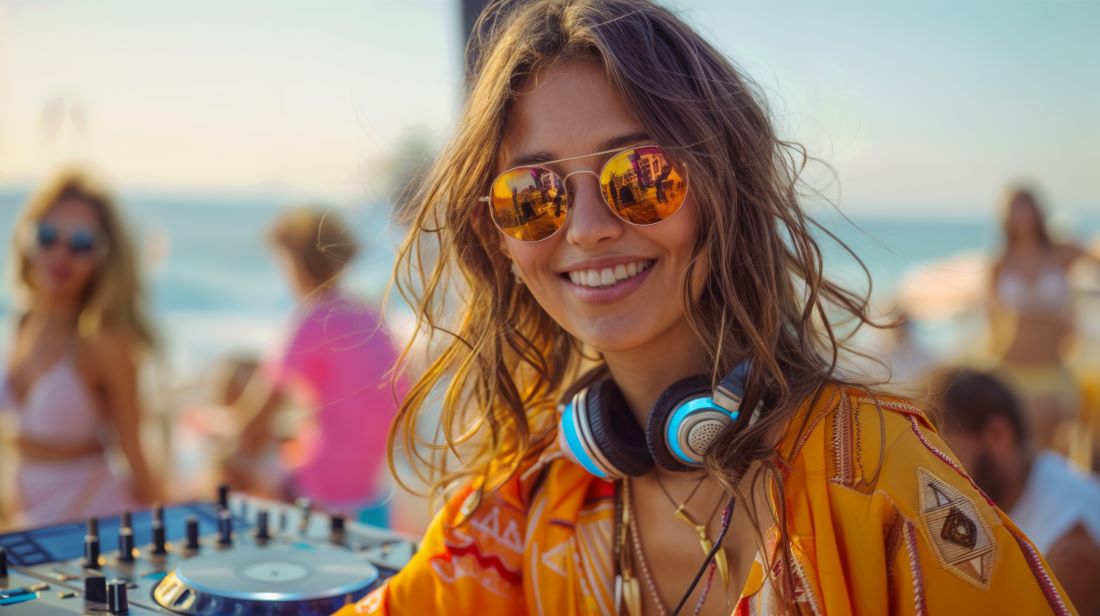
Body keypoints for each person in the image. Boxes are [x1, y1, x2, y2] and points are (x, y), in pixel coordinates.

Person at [338, 1, 1074, 614]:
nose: (587, 227)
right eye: (533, 195)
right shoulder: (525, 510)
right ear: (496, 238)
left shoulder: (873, 475)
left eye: (642, 175)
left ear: (721, 190)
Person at [0, 170, 160, 527]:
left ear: (104, 255)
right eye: (47, 236)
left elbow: (134, 451)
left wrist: (175, 523)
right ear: (27, 238)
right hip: (28, 519)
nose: (61, 254)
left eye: (81, 243)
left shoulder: (103, 340)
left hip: (87, 525)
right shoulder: (23, 320)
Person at [228, 207, 403, 526]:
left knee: (231, 465)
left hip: (322, 490)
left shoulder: (314, 317)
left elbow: (258, 413)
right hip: (372, 487)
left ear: (296, 263)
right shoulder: (369, 314)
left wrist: (228, 438)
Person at [935, 368, 1100, 614]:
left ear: (998, 435)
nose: (938, 477)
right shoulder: (1019, 497)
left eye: (950, 456)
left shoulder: (1070, 553)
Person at [989, 186, 1100, 456]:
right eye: (1016, 209)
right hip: (1010, 369)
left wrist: (1074, 315)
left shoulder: (1062, 253)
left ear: (1039, 212)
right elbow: (993, 325)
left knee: (1058, 455)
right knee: (1021, 455)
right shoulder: (999, 264)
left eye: (1027, 207)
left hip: (1054, 370)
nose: (1023, 215)